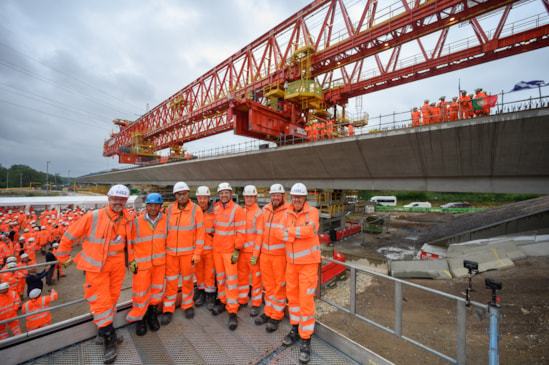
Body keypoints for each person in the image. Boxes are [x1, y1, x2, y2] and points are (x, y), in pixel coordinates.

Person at [57, 184, 133, 364]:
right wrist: (63, 256)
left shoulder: (127, 219)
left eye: (121, 200)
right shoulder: (93, 216)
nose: (118, 202)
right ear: (109, 199)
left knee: (113, 299)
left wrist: (132, 263)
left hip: (116, 267)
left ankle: (103, 330)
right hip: (96, 268)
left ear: (125, 201)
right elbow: (70, 234)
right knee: (101, 302)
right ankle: (109, 338)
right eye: (115, 199)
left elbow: (131, 243)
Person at [280, 183, 321, 364]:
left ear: (305, 198)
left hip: (308, 265)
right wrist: (296, 233)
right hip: (291, 264)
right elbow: (280, 234)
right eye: (294, 197)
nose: (296, 199)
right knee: (293, 301)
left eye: (299, 197)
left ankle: (306, 340)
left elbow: (310, 231)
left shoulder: (313, 212)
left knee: (306, 303)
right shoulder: (287, 212)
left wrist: (291, 233)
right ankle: (295, 329)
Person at [255, 183, 296, 333]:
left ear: (283, 196)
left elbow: (291, 234)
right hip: (265, 255)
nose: (275, 198)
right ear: (269, 196)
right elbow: (260, 232)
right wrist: (257, 253)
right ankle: (268, 312)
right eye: (273, 195)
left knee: (279, 287)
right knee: (268, 286)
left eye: (278, 195)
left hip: (280, 256)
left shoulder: (289, 211)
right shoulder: (265, 210)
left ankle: (276, 316)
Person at [161, 182, 204, 325]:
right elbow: (165, 231)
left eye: (184, 193)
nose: (182, 196)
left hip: (188, 254)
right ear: (175, 196)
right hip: (171, 254)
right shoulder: (170, 209)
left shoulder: (196, 210)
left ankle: (187, 305)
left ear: (188, 194)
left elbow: (200, 233)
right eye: (179, 194)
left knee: (187, 281)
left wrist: (197, 252)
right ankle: (168, 309)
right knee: (171, 283)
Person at [126, 193, 167, 336]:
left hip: (159, 265)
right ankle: (140, 319)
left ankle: (152, 316)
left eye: (156, 205)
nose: (153, 208)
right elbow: (129, 243)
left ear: (160, 207)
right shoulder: (136, 222)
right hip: (141, 266)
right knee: (140, 294)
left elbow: (169, 242)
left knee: (156, 293)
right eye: (150, 205)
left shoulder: (166, 221)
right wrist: (131, 261)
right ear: (146, 206)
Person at [211, 182, 246, 330]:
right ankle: (223, 301)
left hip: (230, 251)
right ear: (219, 195)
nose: (224, 195)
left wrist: (237, 249)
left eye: (226, 192)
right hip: (217, 250)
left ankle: (232, 310)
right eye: (221, 193)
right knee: (220, 278)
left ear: (230, 194)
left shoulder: (238, 210)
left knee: (231, 281)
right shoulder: (217, 208)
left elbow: (241, 231)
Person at [238, 185, 264, 317]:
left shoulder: (259, 213)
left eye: (251, 197)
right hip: (242, 251)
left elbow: (260, 235)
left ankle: (256, 303)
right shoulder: (242, 211)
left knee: (256, 279)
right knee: (242, 277)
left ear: (255, 197)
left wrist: (256, 253)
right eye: (247, 196)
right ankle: (242, 299)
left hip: (252, 253)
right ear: (244, 197)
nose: (249, 199)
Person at [194, 186, 217, 311]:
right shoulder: (195, 211)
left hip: (210, 249)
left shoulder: (215, 212)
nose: (202, 200)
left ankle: (210, 296)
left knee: (210, 273)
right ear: (197, 198)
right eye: (200, 198)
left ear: (208, 198)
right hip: (198, 249)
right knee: (199, 272)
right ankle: (201, 293)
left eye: (204, 198)